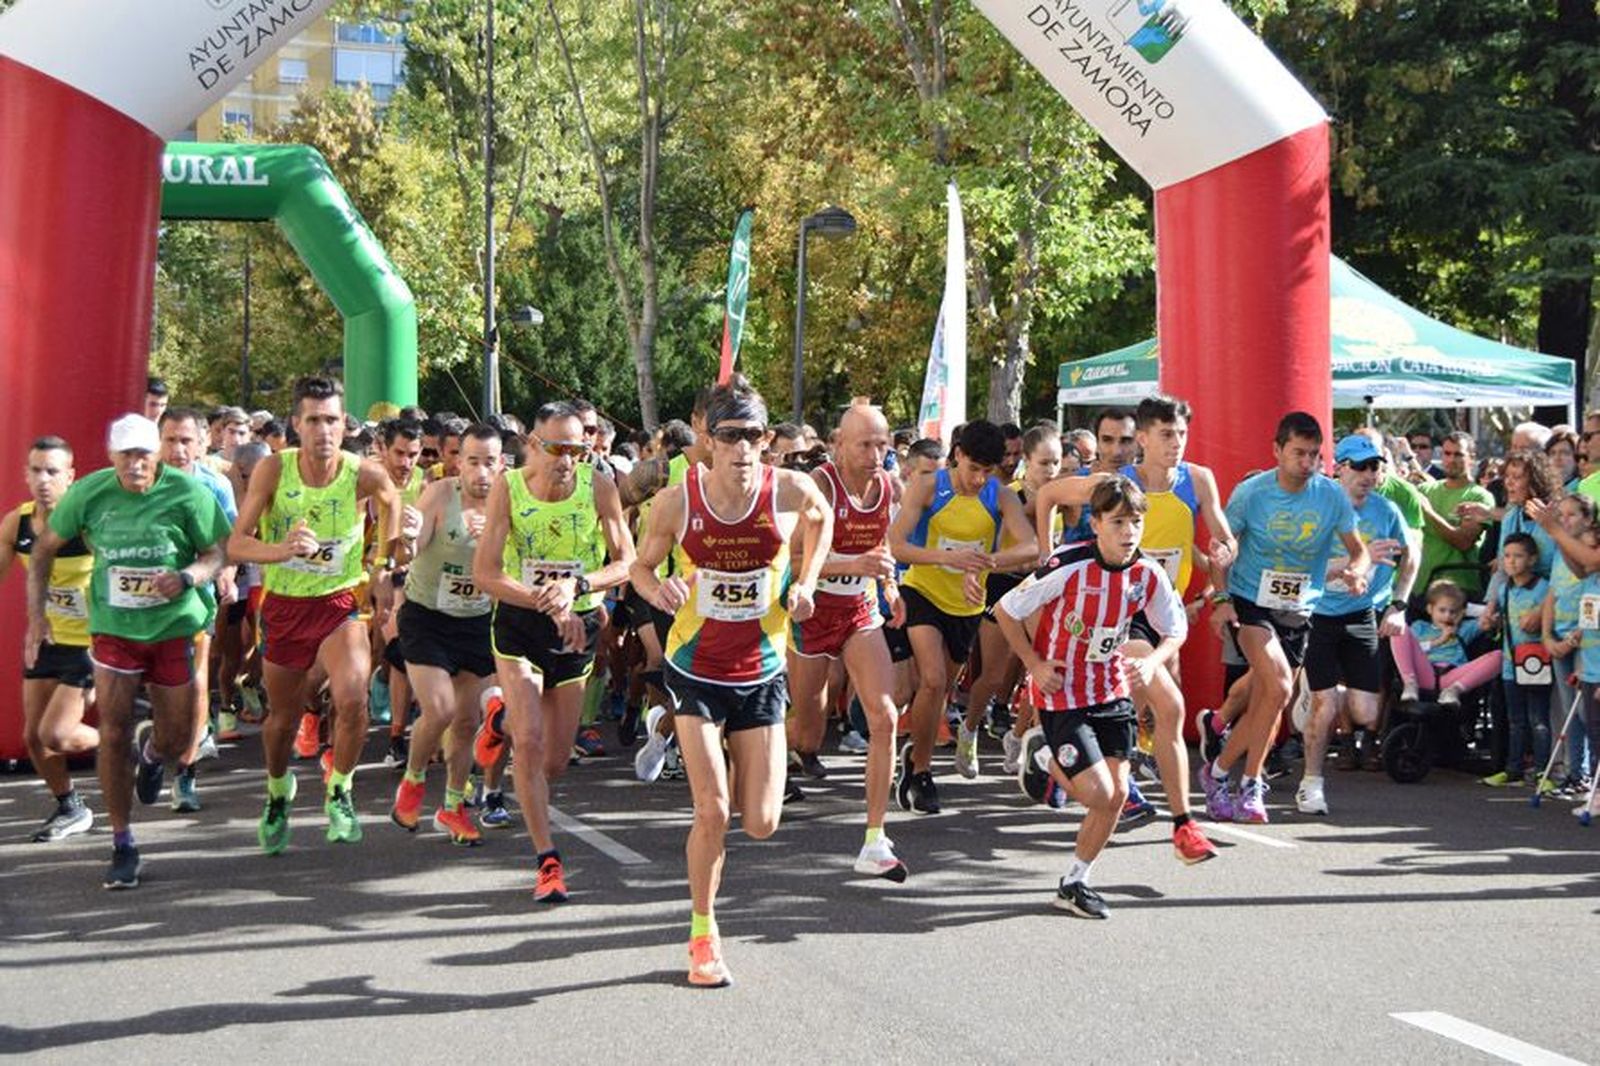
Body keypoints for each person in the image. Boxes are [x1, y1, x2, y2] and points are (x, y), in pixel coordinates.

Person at [628, 374, 831, 988]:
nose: (743, 449)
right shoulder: (676, 502)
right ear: (708, 442)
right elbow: (638, 567)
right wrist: (656, 586)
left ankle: (657, 724)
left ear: (767, 441)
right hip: (695, 666)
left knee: (762, 820)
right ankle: (702, 933)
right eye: (729, 436)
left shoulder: (791, 491)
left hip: (762, 669)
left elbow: (821, 523)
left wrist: (806, 582)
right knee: (712, 809)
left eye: (753, 437)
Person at [27, 414, 230, 888]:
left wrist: (187, 578)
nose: (136, 465)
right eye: (126, 456)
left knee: (179, 742)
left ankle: (155, 752)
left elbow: (218, 551)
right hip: (115, 629)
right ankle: (122, 842)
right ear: (111, 456)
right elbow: (43, 550)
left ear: (155, 454)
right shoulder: (90, 493)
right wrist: (36, 617)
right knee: (112, 731)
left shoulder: (187, 493)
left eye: (143, 455)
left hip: (173, 626)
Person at [229, 376, 412, 854]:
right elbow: (236, 543)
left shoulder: (361, 472)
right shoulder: (273, 471)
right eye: (313, 420)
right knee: (281, 722)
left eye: (331, 419)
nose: (323, 430)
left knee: (353, 700)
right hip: (287, 607)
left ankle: (340, 789)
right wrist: (281, 548)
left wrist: (382, 566)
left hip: (338, 604)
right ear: (296, 424)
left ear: (342, 423)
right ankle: (276, 791)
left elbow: (392, 501)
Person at [997, 476, 1191, 918]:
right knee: (1099, 795)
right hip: (1063, 693)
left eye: (1136, 522)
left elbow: (1175, 629)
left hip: (1111, 691)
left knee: (1117, 796)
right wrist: (1034, 664)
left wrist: (1153, 661)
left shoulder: (1147, 573)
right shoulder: (1069, 564)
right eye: (1118, 522)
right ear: (1097, 523)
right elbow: (1008, 610)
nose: (1129, 532)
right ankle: (1044, 755)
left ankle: (1074, 882)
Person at [473, 402, 635, 900]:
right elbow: (486, 572)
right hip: (521, 624)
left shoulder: (598, 486)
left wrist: (577, 586)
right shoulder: (510, 487)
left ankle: (495, 722)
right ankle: (548, 860)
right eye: (556, 448)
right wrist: (546, 598)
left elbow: (627, 561)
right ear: (532, 446)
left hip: (577, 627)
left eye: (577, 447)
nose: (567, 458)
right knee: (532, 738)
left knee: (556, 761)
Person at [1202, 412, 1369, 824]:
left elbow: (1358, 549)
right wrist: (1221, 596)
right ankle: (1251, 785)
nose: (1307, 462)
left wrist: (1357, 571)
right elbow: (1221, 547)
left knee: (1271, 699)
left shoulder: (1331, 496)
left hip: (1299, 606)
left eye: (1314, 454)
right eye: (1298, 453)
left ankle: (1218, 770)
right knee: (1277, 685)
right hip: (1250, 599)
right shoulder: (1252, 493)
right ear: (1277, 451)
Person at [888, 419, 1037, 814]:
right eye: (973, 469)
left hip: (967, 604)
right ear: (957, 455)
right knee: (933, 680)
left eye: (987, 471)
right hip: (922, 591)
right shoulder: (927, 486)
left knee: (942, 690)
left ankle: (912, 755)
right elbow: (896, 545)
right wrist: (947, 557)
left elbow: (1031, 547)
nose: (978, 479)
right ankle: (921, 773)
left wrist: (986, 562)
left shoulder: (1000, 496)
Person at [787, 402, 908, 880]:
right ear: (839, 444)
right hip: (812, 612)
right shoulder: (818, 486)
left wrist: (891, 587)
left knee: (885, 714)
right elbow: (794, 562)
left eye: (883, 444)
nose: (876, 454)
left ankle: (875, 839)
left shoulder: (888, 488)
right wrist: (850, 566)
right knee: (808, 731)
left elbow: (882, 551)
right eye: (865, 444)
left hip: (859, 611)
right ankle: (752, 752)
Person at [387, 425, 509, 845]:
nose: (480, 471)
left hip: (476, 620)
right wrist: (406, 535)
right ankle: (413, 780)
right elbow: (410, 550)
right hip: (427, 616)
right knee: (438, 709)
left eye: (489, 462)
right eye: (472, 461)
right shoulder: (441, 495)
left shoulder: (509, 502)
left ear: (502, 464)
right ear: (459, 462)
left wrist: (497, 544)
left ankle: (453, 806)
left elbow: (520, 564)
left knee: (466, 721)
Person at [1298, 434, 1416, 815]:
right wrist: (1353, 563)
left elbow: (1413, 555)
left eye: (1375, 467)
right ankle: (1311, 784)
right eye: (1361, 467)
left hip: (1362, 615)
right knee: (1325, 705)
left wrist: (1398, 605)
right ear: (1340, 469)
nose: (1369, 474)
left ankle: (1315, 694)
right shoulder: (1317, 508)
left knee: (1365, 712)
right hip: (1317, 614)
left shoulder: (1385, 510)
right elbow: (1300, 567)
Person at [2, 436, 97, 842]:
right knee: (33, 739)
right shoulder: (16, 523)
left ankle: (125, 736)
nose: (44, 480)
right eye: (37, 470)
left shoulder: (86, 524)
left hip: (91, 644)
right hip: (46, 641)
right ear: (25, 474)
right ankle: (70, 807)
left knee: (55, 735)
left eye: (53, 472)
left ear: (70, 478)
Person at [157, 407, 240, 812]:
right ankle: (156, 747)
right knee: (159, 690)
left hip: (195, 600)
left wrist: (227, 574)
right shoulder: (138, 483)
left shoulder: (216, 486)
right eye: (170, 440)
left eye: (186, 440)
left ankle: (185, 775)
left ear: (203, 443)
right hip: (140, 607)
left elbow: (232, 541)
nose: (177, 450)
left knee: (195, 682)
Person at [1482, 534, 1553, 788]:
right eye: (1507, 555)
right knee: (1516, 720)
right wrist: (1494, 622)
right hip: (1511, 665)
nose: (1511, 561)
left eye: (1518, 556)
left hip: (1537, 663)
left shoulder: (1544, 588)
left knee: (1539, 719)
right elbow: (1503, 623)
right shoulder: (1504, 589)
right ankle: (1513, 768)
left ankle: (1543, 771)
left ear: (1532, 559)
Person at [1540, 493, 1594, 792]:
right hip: (1560, 635)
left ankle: (1588, 771)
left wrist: (1579, 636)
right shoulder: (1561, 551)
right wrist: (1548, 637)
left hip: (1584, 640)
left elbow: (1592, 594)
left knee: (1587, 711)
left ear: (1588, 519)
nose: (1565, 521)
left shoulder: (1588, 550)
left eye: (1572, 515)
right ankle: (1574, 773)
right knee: (1569, 710)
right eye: (1560, 515)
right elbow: (1552, 594)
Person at [1391, 579, 1499, 705]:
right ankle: (1409, 683)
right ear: (1430, 609)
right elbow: (1406, 649)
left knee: (1498, 656)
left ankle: (1454, 690)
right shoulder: (1420, 626)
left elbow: (1490, 613)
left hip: (1452, 676)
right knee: (1399, 628)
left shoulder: (1464, 628)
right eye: (1442, 610)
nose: (1447, 616)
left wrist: (1463, 612)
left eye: (1452, 612)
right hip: (1424, 672)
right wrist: (1438, 641)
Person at [1416, 432, 1494, 597]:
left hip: (1458, 591)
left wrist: (1428, 512)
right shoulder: (1425, 490)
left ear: (1471, 458)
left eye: (1458, 454)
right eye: (1447, 453)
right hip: (1420, 586)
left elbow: (1463, 542)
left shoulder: (1479, 496)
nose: (1451, 459)